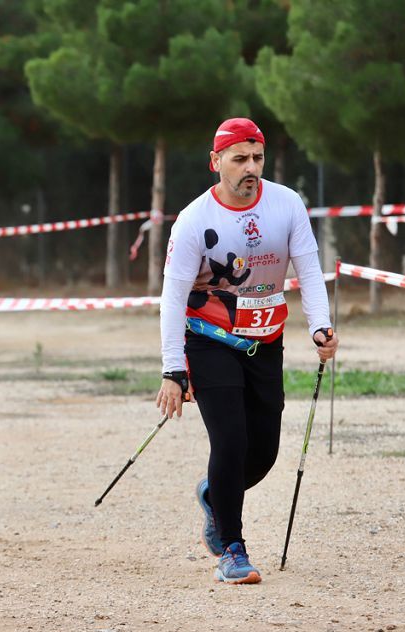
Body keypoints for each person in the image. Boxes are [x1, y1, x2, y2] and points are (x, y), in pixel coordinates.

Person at [156, 117, 338, 585]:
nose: (250, 167)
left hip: (266, 340)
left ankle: (214, 494)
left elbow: (310, 272)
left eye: (257, 157)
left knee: (264, 454)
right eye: (239, 159)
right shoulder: (196, 218)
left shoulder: (287, 204)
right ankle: (233, 550)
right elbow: (173, 296)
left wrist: (320, 325)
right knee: (231, 440)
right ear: (216, 162)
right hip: (209, 340)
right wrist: (173, 368)